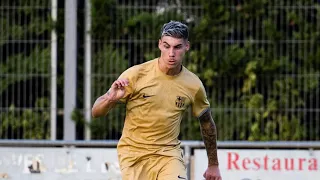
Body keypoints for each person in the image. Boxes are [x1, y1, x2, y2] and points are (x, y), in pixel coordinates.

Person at [92, 20, 222, 180]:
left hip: (169, 156)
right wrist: (110, 100)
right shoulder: (136, 75)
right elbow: (96, 112)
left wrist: (213, 164)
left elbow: (207, 123)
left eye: (177, 47)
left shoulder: (193, 85)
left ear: (186, 47)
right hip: (134, 156)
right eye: (167, 46)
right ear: (160, 45)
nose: (171, 53)